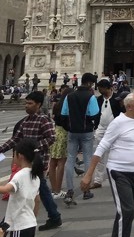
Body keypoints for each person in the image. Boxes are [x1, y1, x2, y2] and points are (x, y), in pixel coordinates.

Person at [80, 92, 134, 237]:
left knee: (126, 212)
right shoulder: (118, 122)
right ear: (129, 106)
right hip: (119, 172)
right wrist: (89, 174)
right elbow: (102, 146)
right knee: (126, 210)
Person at [0, 90, 62, 232]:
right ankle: (54, 216)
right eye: (26, 103)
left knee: (25, 191)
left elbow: (51, 138)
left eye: (30, 103)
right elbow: (16, 139)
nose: (26, 106)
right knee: (41, 189)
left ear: (39, 104)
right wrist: (2, 149)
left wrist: (34, 148)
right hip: (27, 162)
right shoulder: (26, 121)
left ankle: (5, 224)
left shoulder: (43, 120)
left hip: (38, 161)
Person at [61, 72, 100, 200]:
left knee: (70, 159)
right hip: (86, 131)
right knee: (88, 158)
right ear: (89, 83)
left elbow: (64, 115)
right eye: (92, 84)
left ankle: (70, 190)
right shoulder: (91, 97)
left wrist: (68, 127)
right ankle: (86, 190)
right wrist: (93, 125)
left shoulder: (69, 96)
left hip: (72, 131)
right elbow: (95, 114)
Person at [93, 79, 123, 189]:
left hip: (114, 129)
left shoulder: (116, 99)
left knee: (115, 155)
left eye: (101, 88)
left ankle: (117, 179)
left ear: (108, 88)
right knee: (99, 154)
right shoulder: (98, 99)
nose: (99, 90)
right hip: (100, 129)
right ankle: (97, 180)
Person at [48, 88, 70, 199]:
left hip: (55, 132)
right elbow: (67, 123)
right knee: (61, 162)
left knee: (52, 162)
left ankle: (54, 189)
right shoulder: (66, 107)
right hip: (64, 134)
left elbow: (54, 118)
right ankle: (57, 190)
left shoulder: (56, 106)